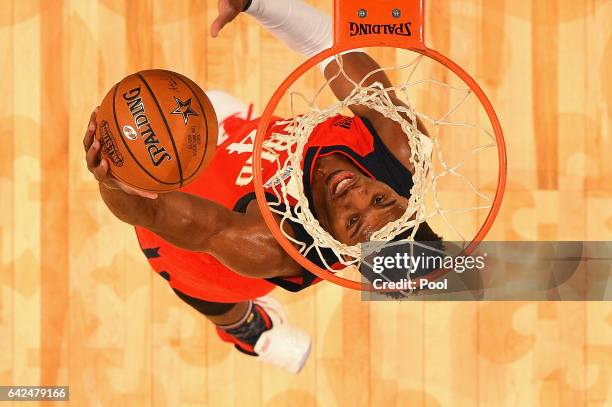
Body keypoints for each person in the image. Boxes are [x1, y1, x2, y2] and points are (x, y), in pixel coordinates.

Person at [83, 0, 441, 373]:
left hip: (198, 243)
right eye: (380, 199)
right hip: (245, 147)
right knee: (210, 108)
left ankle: (249, 331)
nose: (354, 195)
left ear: (344, 246)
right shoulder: (401, 146)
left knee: (205, 290)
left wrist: (113, 179)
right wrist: (255, 2)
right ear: (404, 195)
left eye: (353, 222)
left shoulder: (268, 245)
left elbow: (150, 210)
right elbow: (325, 42)